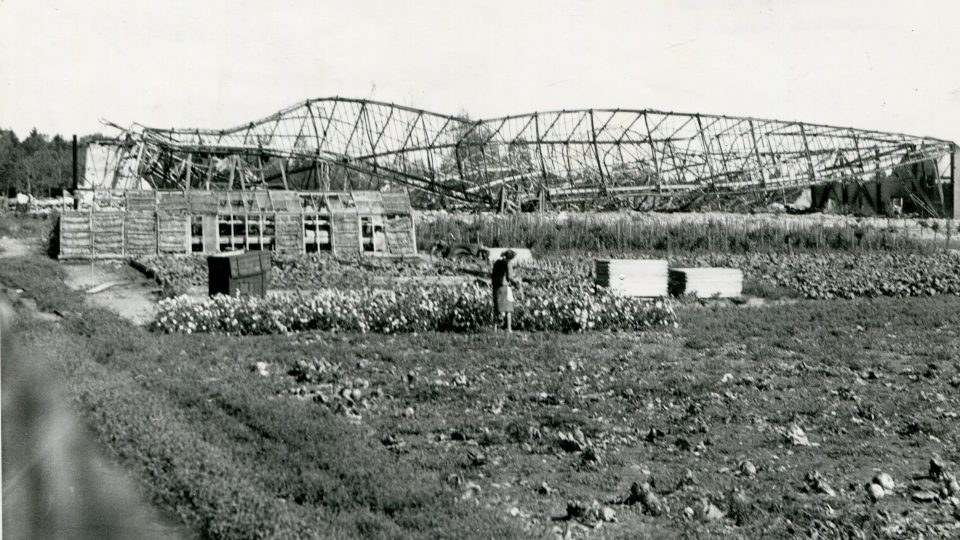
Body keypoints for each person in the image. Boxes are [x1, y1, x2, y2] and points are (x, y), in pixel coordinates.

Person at [491, 250, 520, 332]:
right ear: (511, 257)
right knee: (508, 309)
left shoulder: (497, 262)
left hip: (496, 287)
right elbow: (510, 277)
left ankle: (494, 329)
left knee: (497, 309)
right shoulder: (508, 263)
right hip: (504, 287)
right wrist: (516, 283)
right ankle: (509, 329)